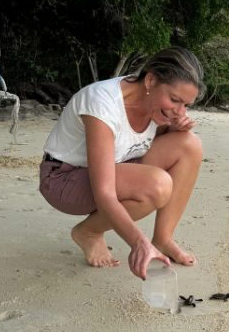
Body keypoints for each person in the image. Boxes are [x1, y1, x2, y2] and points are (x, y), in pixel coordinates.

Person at [38, 46, 205, 280]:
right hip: (64, 179)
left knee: (189, 144)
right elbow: (104, 192)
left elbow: (133, 141)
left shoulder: (156, 106)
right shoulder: (102, 103)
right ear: (150, 81)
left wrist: (171, 127)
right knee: (157, 186)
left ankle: (164, 238)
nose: (180, 111)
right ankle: (89, 232)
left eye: (186, 105)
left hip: (120, 164)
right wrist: (139, 243)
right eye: (175, 100)